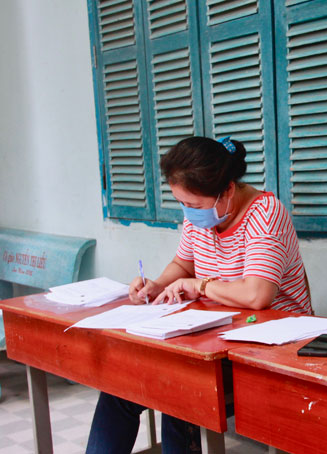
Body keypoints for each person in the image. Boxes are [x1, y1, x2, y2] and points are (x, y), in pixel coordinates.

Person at [86, 136, 311, 454]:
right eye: (182, 204)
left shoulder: (265, 214)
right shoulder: (204, 213)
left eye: (193, 205)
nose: (188, 213)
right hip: (213, 339)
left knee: (178, 389)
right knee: (119, 387)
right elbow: (182, 263)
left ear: (228, 190)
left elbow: (257, 295)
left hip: (269, 347)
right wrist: (157, 285)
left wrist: (201, 285)